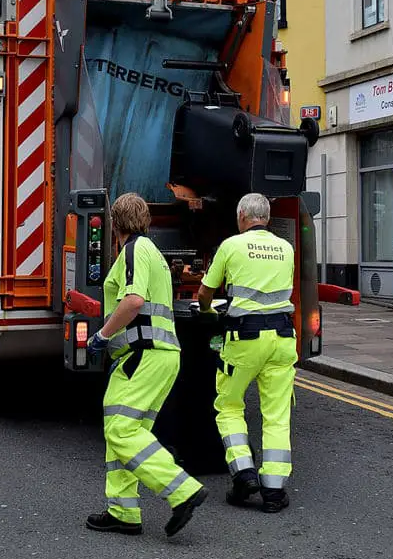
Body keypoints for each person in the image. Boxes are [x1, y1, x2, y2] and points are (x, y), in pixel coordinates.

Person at [86, 192, 208, 537]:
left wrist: (102, 336)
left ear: (115, 223)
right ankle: (123, 511)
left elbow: (134, 301)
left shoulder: (134, 250)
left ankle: (182, 490)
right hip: (156, 355)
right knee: (124, 429)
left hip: (143, 354)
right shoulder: (151, 252)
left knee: (121, 430)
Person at [196, 192, 297, 513]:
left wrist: (208, 312)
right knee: (277, 415)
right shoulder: (286, 248)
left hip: (244, 339)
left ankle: (243, 474)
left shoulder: (230, 246)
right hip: (282, 338)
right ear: (266, 218)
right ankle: (274, 491)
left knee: (228, 406)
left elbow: (204, 293)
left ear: (241, 216)